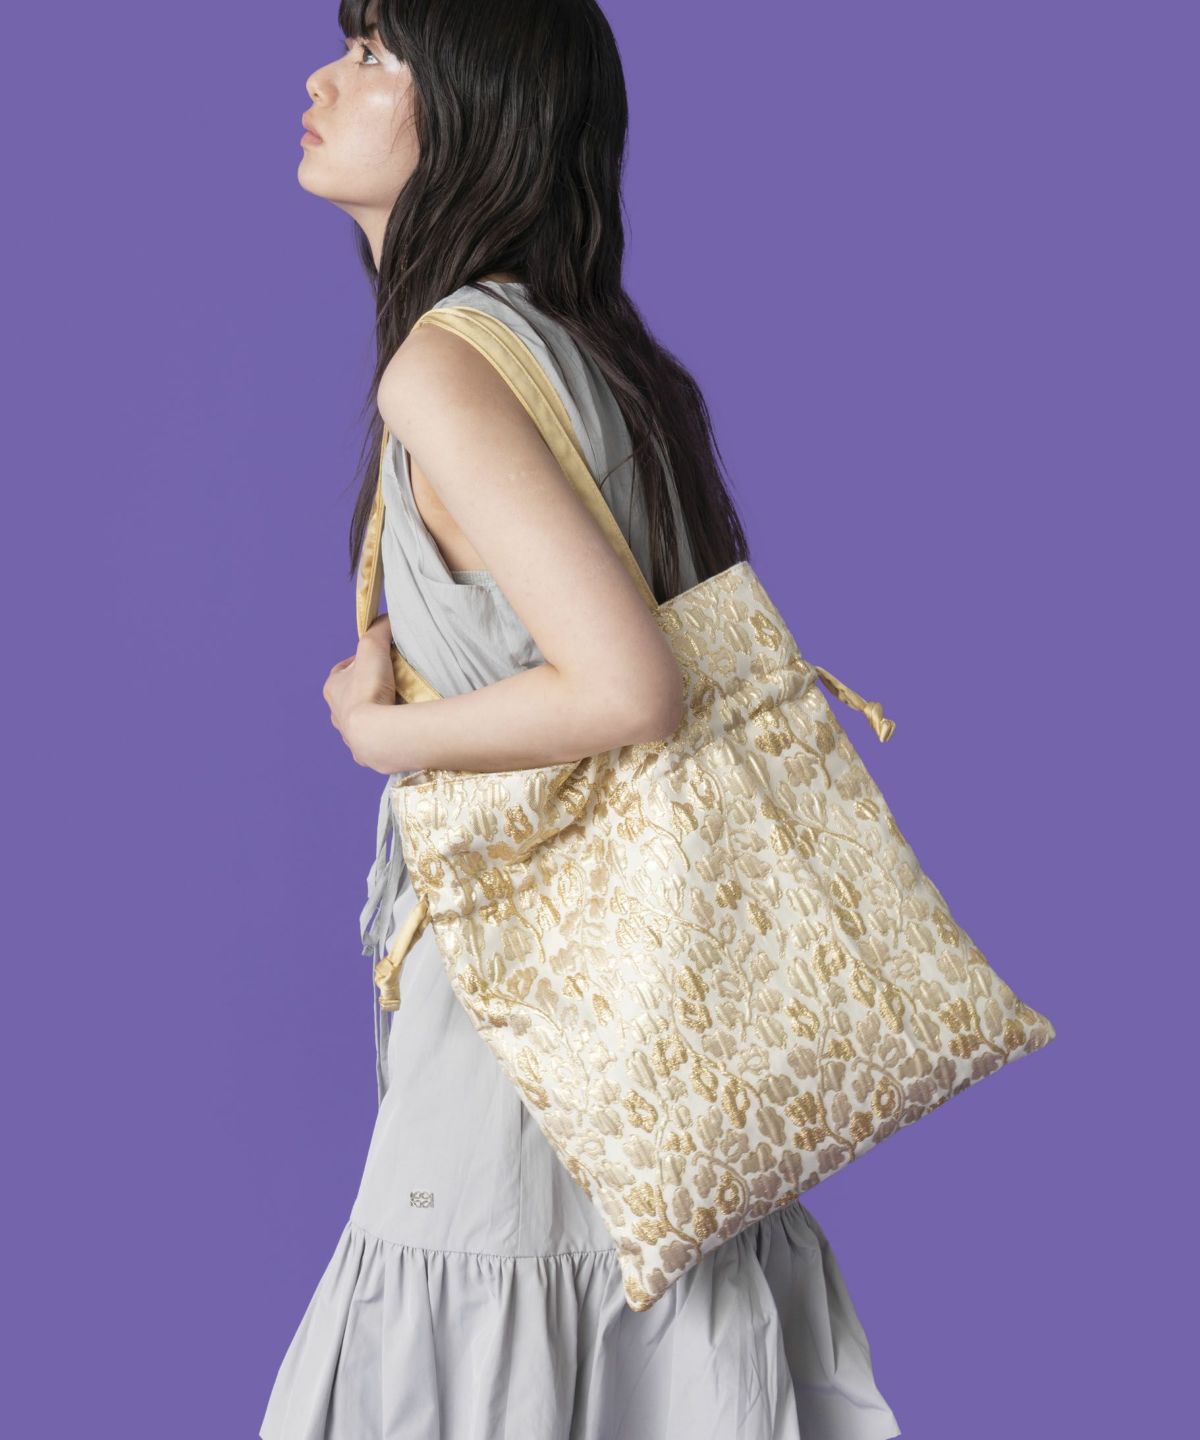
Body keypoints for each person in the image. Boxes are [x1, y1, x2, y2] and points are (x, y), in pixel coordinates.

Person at [260, 2, 902, 1437]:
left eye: (373, 55)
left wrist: (378, 735)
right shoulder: (596, 357)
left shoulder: (448, 364)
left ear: (476, 111)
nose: (323, 76)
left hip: (531, 1019)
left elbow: (627, 689)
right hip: (651, 1020)